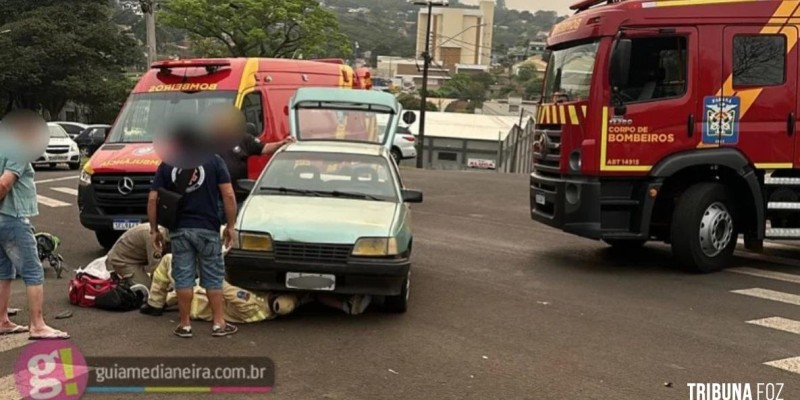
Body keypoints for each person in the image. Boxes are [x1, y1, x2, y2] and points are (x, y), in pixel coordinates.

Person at [148, 152, 238, 339]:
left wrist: (154, 229)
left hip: (179, 230)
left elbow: (152, 199)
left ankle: (184, 325)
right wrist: (230, 226)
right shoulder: (214, 160)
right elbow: (228, 194)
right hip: (208, 229)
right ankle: (219, 323)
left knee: (183, 277)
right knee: (213, 277)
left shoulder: (168, 163)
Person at [0, 112, 68, 339]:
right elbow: (5, 183)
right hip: (12, 215)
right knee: (32, 270)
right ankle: (37, 325)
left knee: (3, 271)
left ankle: (2, 320)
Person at [212, 106, 293, 205]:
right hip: (214, 200)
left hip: (239, 198)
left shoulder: (244, 139)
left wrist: (281, 144)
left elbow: (264, 148)